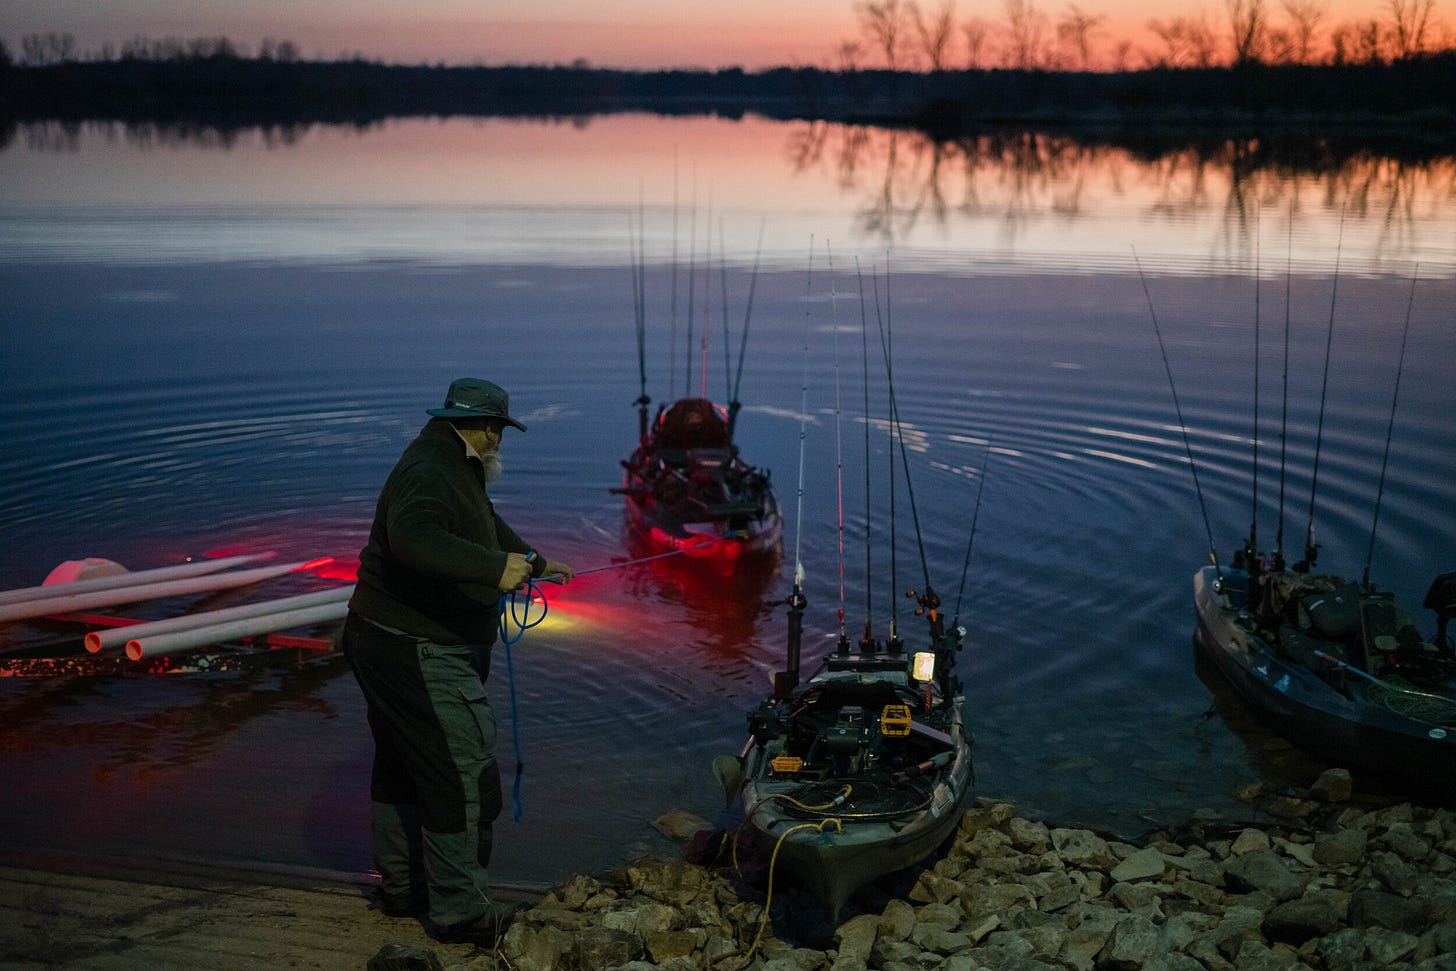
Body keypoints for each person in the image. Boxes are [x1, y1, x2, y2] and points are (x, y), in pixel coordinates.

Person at [342, 377, 574, 946]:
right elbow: (412, 537)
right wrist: (496, 571)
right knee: (459, 772)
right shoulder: (430, 468)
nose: (500, 442)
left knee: (403, 764)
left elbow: (483, 526)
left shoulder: (453, 460)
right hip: (415, 646)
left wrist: (534, 561)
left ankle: (404, 891)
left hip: (381, 639)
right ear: (485, 426)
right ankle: (462, 914)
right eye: (500, 430)